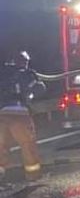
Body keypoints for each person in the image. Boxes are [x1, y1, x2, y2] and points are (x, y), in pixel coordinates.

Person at [0, 51, 46, 184]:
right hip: (20, 113)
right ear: (22, 61)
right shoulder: (28, 74)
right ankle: (33, 176)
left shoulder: (3, 73)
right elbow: (40, 88)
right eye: (25, 61)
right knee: (28, 144)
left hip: (2, 114)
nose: (26, 64)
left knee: (2, 146)